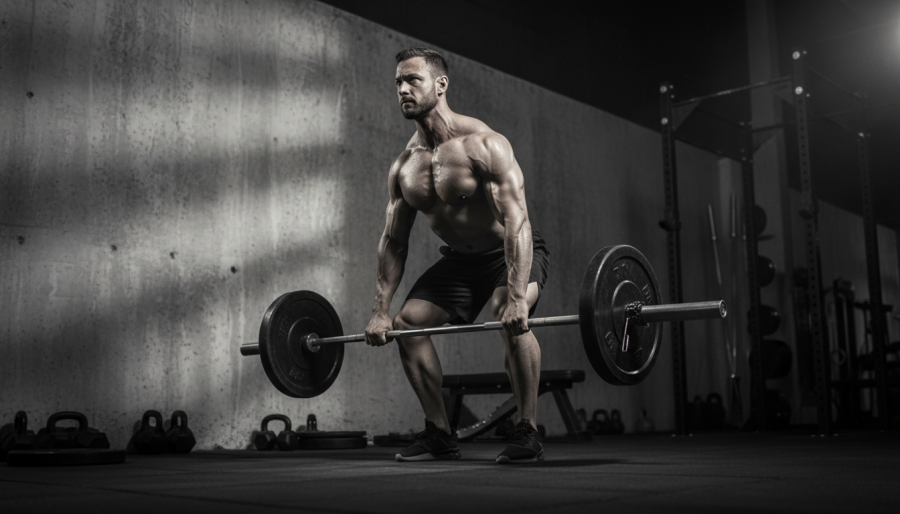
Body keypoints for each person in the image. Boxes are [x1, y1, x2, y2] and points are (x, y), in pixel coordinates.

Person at [364, 48, 550, 464]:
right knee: (407, 324)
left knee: (507, 312)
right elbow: (394, 241)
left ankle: (528, 428)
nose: (403, 89)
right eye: (398, 82)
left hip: (511, 251)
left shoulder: (484, 145)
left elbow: (517, 223)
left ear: (441, 84)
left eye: (412, 80)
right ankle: (439, 433)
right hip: (461, 263)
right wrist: (380, 309)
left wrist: (519, 295)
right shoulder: (404, 167)